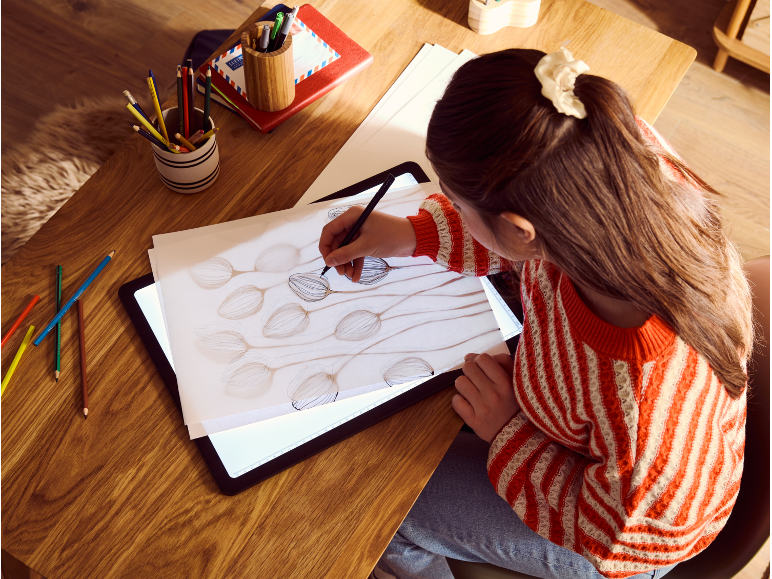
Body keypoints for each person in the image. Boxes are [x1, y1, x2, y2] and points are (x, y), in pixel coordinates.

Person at [319, 48, 753, 579]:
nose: (448, 204)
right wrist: (412, 234)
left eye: (457, 200)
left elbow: (623, 535)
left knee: (376, 505)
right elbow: (516, 239)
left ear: (523, 232)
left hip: (617, 530)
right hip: (582, 430)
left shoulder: (638, 405)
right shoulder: (608, 150)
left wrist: (509, 432)